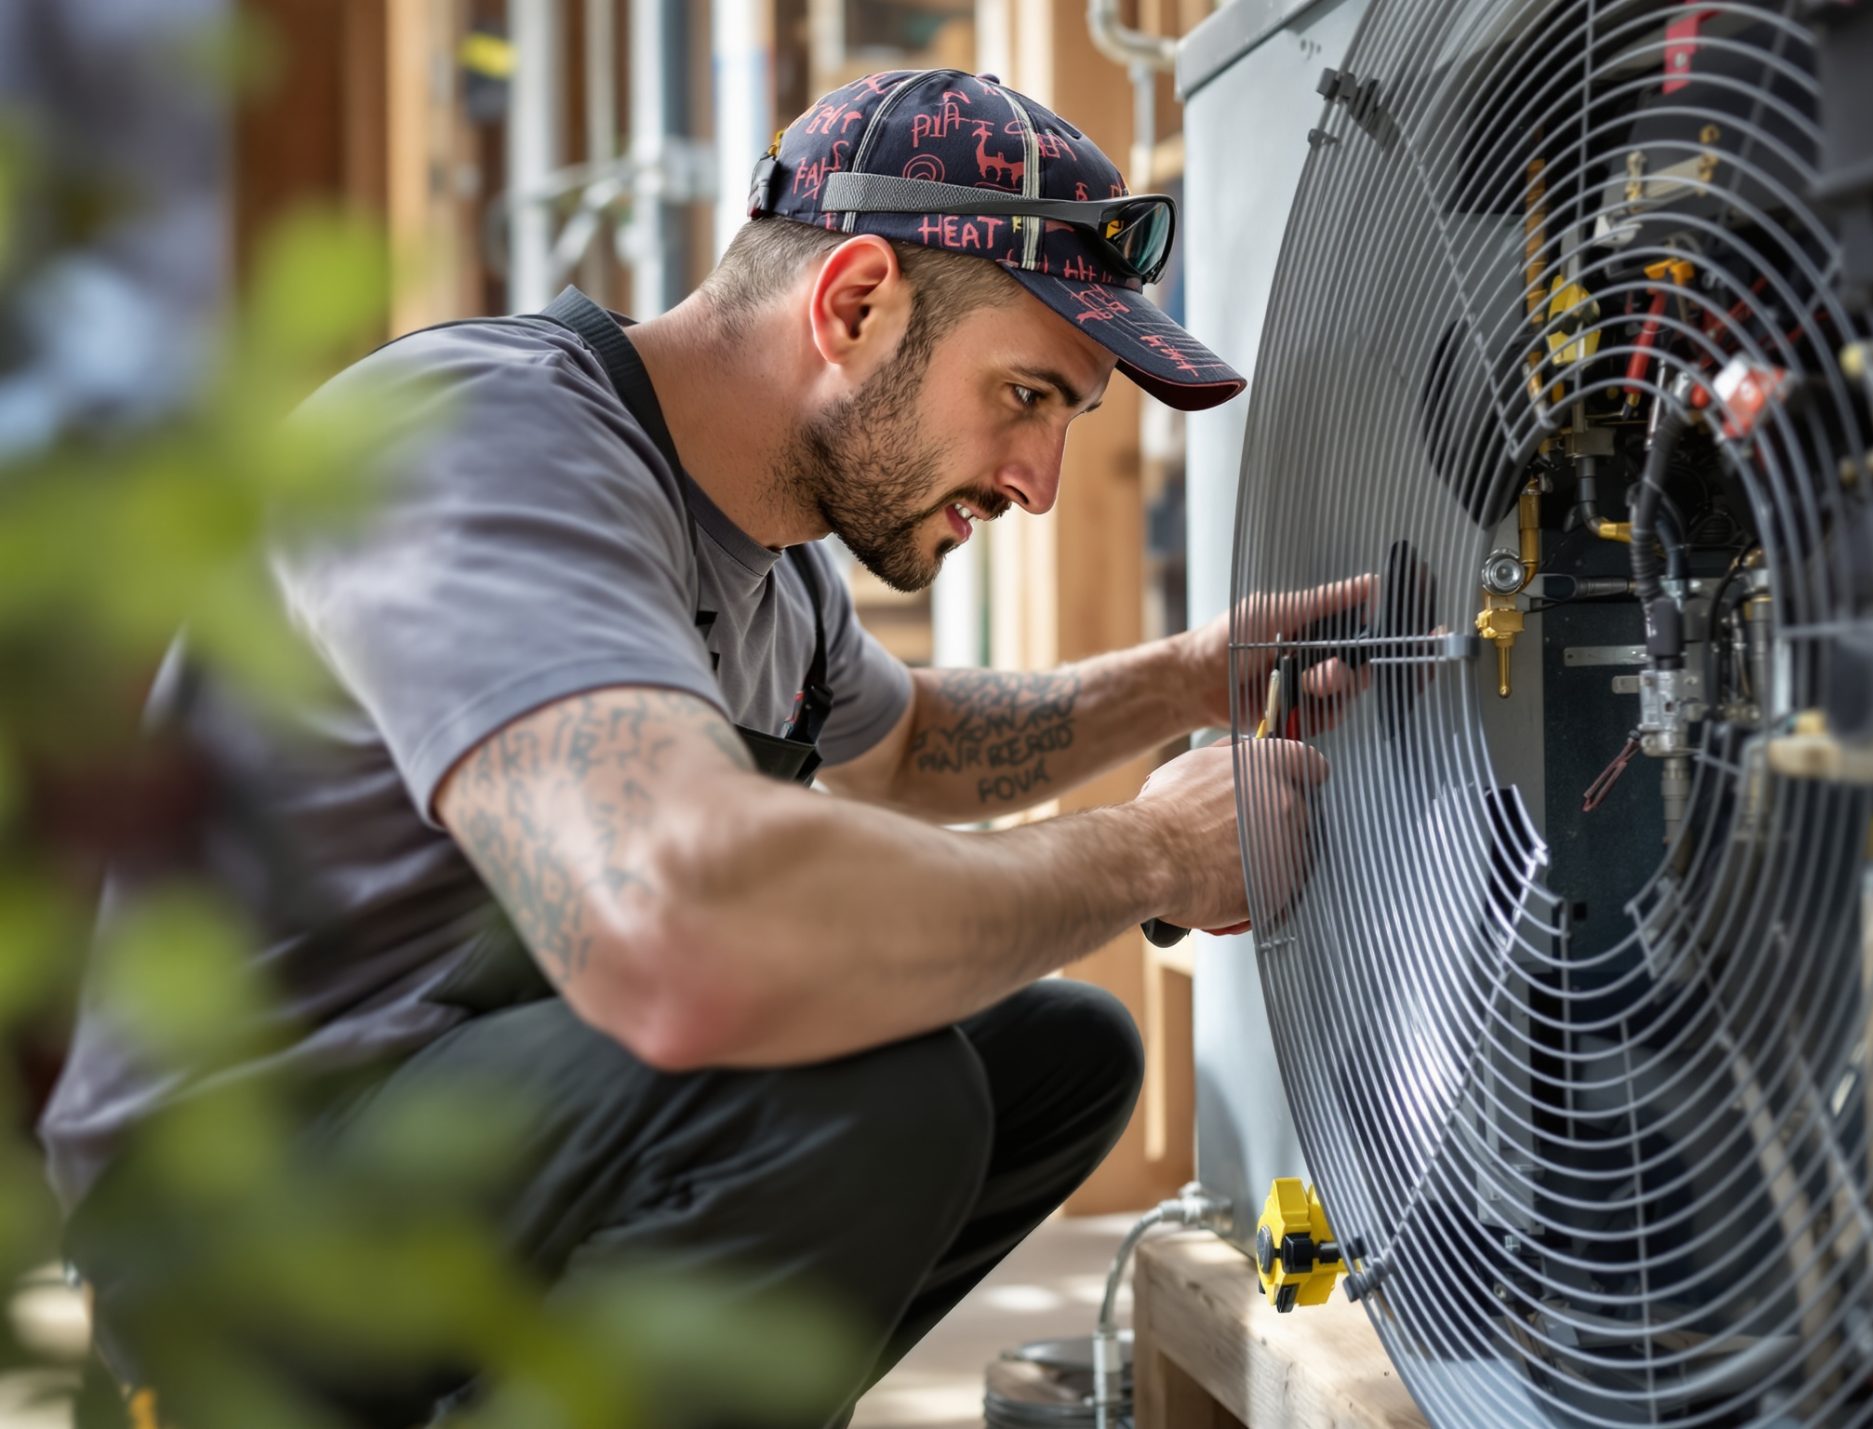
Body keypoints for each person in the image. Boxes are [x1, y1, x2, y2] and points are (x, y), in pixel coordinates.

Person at [41, 68, 1352, 1423]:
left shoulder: (775, 574)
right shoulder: (485, 445)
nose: (1041, 479)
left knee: (1061, 1054)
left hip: (468, 1123)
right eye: (1025, 394)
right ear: (853, 304)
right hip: (240, 1210)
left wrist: (1189, 679)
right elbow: (682, 935)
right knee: (868, 1097)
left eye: (1067, 421)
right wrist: (1152, 850)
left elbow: (913, 751)